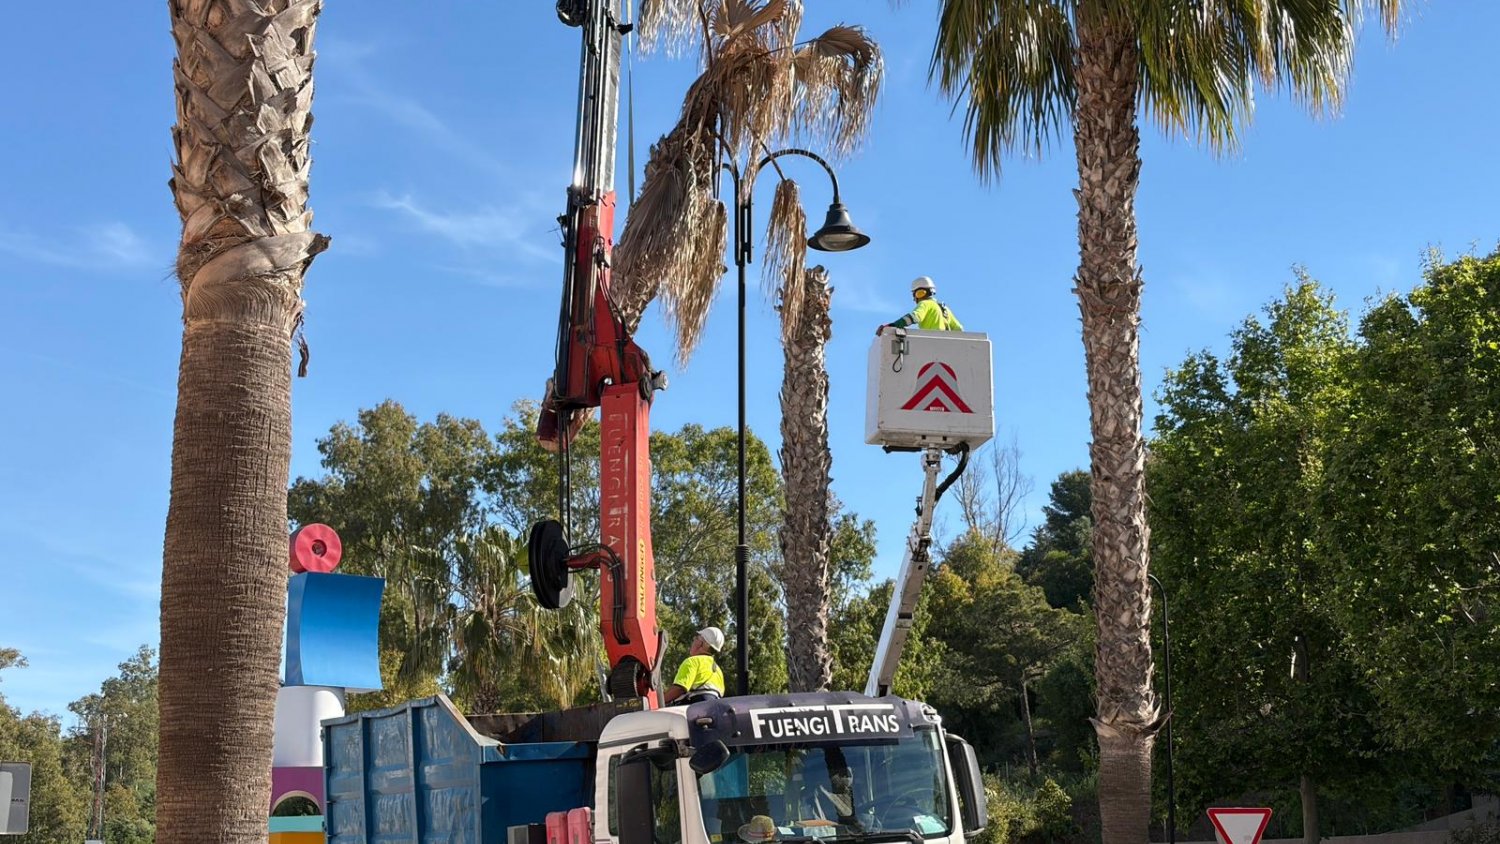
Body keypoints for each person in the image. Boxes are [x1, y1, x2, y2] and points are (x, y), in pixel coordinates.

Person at [875, 276, 963, 335]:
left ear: (919, 293)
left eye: (915, 295)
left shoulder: (925, 304)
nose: (914, 299)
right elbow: (959, 328)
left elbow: (914, 317)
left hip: (930, 343)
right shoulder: (945, 309)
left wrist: (892, 325)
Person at [664, 626, 726, 705]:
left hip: (694, 711)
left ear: (701, 643)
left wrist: (659, 701)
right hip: (714, 712)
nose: (694, 640)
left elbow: (679, 689)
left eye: (696, 638)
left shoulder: (693, 662)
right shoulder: (718, 671)